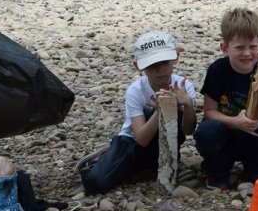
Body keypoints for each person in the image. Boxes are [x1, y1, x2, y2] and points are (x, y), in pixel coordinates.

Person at [79, 31, 198, 194]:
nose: (159, 69)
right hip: (132, 143)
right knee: (96, 184)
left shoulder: (183, 86)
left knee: (175, 117)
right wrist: (160, 111)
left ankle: (167, 161)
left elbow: (188, 130)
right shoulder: (136, 90)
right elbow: (141, 138)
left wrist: (188, 105)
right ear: (138, 66)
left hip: (162, 143)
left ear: (175, 58)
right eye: (151, 65)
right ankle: (101, 159)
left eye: (164, 62)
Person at [194, 8, 258, 189]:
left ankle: (256, 168)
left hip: (254, 136)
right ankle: (217, 171)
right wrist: (235, 122)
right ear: (225, 48)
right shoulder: (217, 70)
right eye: (239, 48)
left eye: (252, 47)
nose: (247, 53)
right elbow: (209, 111)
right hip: (227, 133)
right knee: (208, 131)